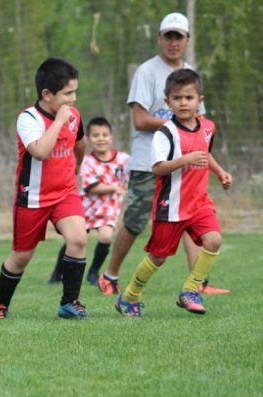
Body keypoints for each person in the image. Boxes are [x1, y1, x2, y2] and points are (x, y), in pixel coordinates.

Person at [98, 12, 230, 296]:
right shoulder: (147, 71)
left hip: (187, 163)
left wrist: (216, 167)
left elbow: (199, 125)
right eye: (168, 36)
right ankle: (110, 276)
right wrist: (176, 127)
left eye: (178, 37)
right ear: (159, 39)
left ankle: (198, 285)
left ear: (187, 40)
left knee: (191, 217)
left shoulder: (190, 74)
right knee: (135, 221)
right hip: (150, 161)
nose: (173, 42)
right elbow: (140, 120)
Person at [115, 69, 232, 317]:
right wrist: (185, 159)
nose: (183, 103)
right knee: (158, 257)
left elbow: (205, 154)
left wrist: (220, 172)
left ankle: (190, 291)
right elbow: (157, 169)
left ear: (200, 100)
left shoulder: (208, 127)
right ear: (168, 102)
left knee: (214, 240)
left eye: (189, 97)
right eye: (177, 98)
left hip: (199, 203)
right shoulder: (165, 133)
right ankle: (129, 296)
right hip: (171, 207)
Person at [0, 57, 88, 320]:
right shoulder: (28, 119)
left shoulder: (74, 115)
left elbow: (80, 141)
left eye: (75, 92)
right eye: (67, 94)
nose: (73, 99)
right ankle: (0, 304)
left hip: (65, 192)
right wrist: (59, 122)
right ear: (46, 95)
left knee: (78, 239)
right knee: (21, 257)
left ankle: (69, 303)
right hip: (32, 198)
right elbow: (41, 152)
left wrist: (78, 164)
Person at [47, 117, 129, 292]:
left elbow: (137, 173)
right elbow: (91, 187)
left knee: (106, 237)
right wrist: (114, 187)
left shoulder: (124, 159)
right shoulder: (86, 161)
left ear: (111, 137)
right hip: (85, 207)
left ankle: (93, 272)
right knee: (74, 240)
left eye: (105, 135)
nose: (101, 139)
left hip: (109, 208)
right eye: (96, 135)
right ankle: (57, 272)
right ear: (89, 139)